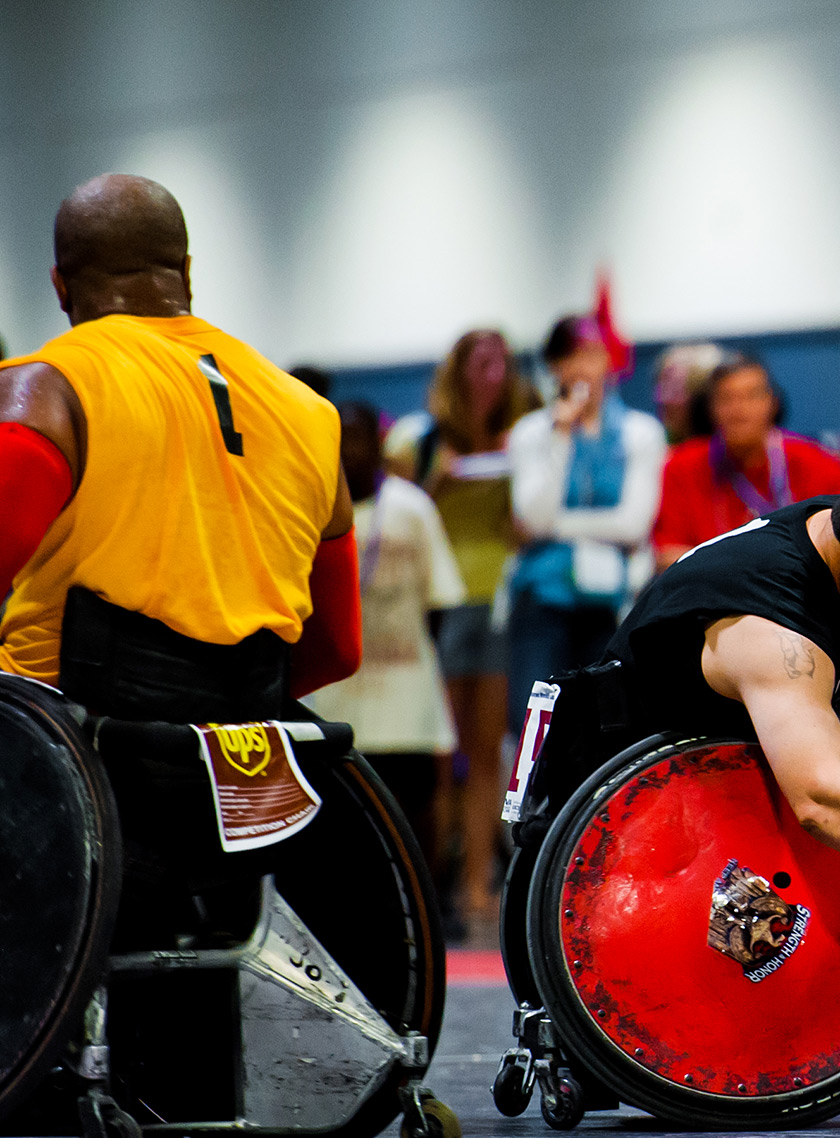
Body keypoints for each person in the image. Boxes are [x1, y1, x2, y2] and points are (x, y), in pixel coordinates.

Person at [520, 461, 840, 1093]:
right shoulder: (773, 632)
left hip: (726, 775)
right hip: (638, 839)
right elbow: (820, 800)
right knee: (836, 795)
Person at [0, 173, 358, 723]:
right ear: (187, 271)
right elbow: (337, 648)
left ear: (60, 286)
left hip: (62, 750)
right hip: (243, 758)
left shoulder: (45, 387)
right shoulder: (310, 410)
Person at [385, 328, 540, 923]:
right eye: (481, 359)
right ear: (458, 369)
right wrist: (438, 479)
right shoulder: (417, 438)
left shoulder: (526, 437)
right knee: (437, 755)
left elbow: (525, 522)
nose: (493, 370)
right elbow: (391, 519)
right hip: (436, 602)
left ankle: (477, 884)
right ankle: (434, 885)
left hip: (500, 598)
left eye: (502, 358)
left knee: (484, 758)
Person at [306, 401, 465, 892]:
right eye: (339, 439)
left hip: (403, 684)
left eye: (357, 438)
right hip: (333, 692)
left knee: (414, 801)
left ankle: (423, 897)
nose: (348, 450)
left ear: (378, 445)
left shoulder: (412, 505)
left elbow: (439, 600)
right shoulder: (312, 502)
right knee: (337, 807)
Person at [506, 314, 666, 733]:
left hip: (610, 602)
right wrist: (561, 434)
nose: (581, 369)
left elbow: (633, 524)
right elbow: (532, 515)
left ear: (608, 362)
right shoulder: (532, 433)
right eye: (568, 357)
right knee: (535, 727)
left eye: (591, 355)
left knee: (604, 727)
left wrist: (555, 528)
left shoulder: (641, 432)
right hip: (541, 599)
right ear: (553, 366)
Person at [651, 351, 840, 568]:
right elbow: (667, 555)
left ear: (773, 403)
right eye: (727, 399)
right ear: (710, 409)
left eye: (751, 396)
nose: (739, 410)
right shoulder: (682, 467)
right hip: (714, 593)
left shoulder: (819, 463)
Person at [653, 340, 723, 447]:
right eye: (662, 386)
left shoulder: (727, 453)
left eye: (675, 389)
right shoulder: (656, 444)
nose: (661, 398)